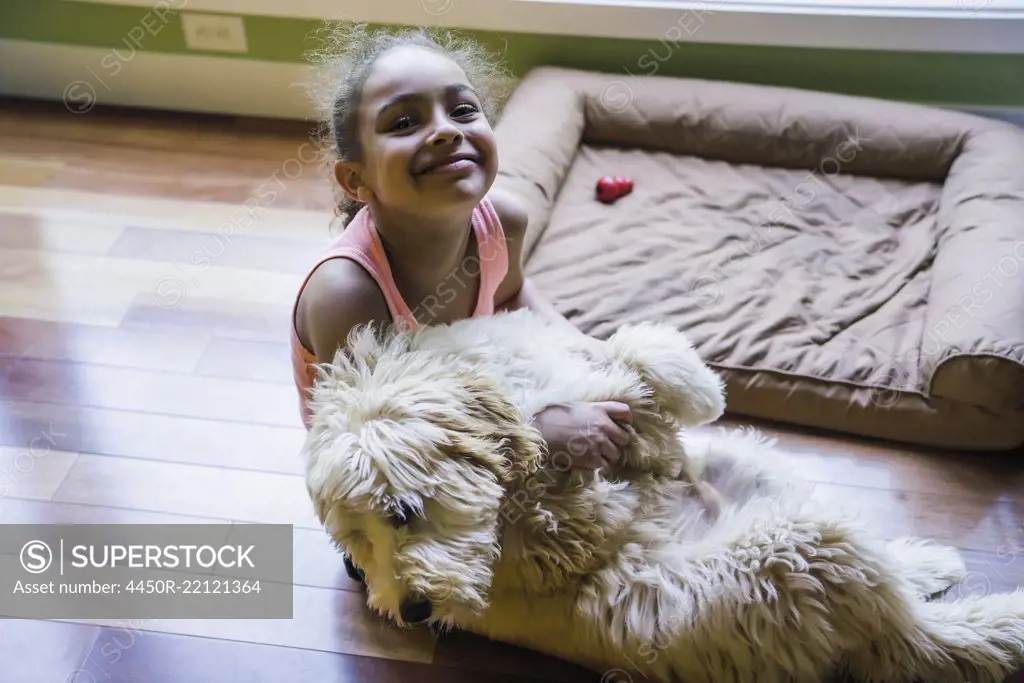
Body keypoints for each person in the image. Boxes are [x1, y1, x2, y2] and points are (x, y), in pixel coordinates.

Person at [288, 24, 633, 583]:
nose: (445, 131)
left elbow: (514, 295)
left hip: (477, 403)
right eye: (404, 122)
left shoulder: (505, 221)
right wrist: (542, 427)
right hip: (389, 463)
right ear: (357, 179)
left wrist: (583, 345)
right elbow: (391, 437)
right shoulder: (347, 293)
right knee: (422, 559)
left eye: (464, 111)